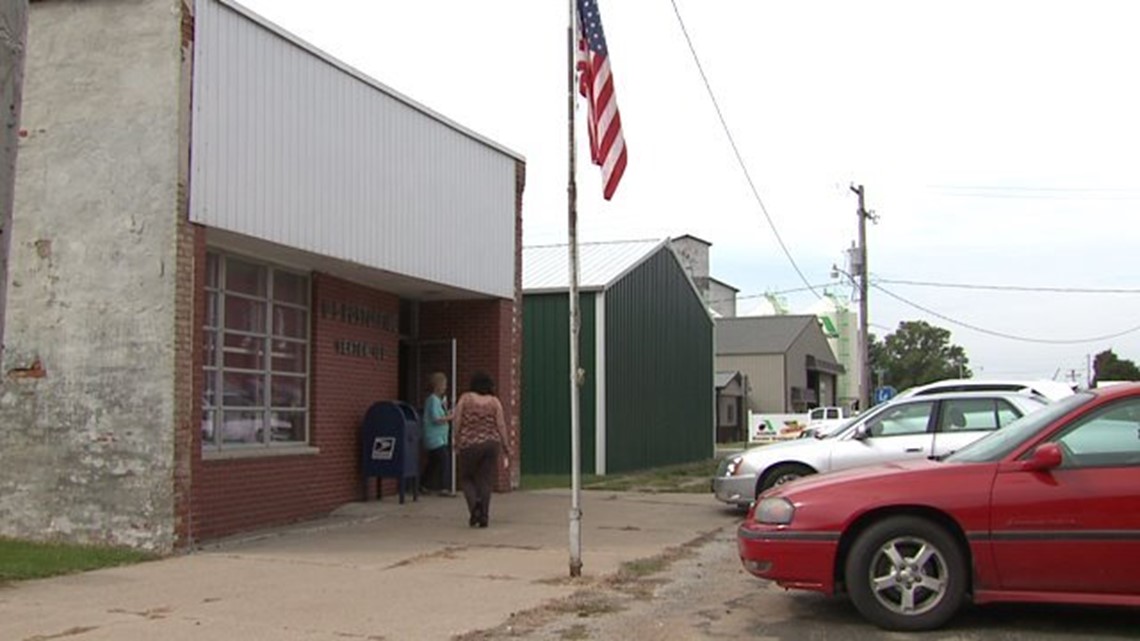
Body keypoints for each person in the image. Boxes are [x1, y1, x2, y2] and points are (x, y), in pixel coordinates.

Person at [453, 371, 511, 528]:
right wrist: (506, 445)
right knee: (485, 480)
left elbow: (457, 420)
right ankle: (484, 514)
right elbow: (501, 425)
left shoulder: (465, 399)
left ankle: (474, 509)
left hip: (469, 444)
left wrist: (456, 439)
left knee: (466, 478)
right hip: (491, 444)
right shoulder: (494, 402)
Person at [421, 372, 453, 496]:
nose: (445, 387)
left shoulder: (439, 401)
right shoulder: (433, 400)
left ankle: (424, 484)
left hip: (440, 437)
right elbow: (436, 418)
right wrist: (450, 417)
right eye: (444, 384)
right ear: (437, 385)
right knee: (444, 459)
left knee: (433, 462)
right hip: (434, 437)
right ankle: (445, 487)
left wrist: (447, 411)